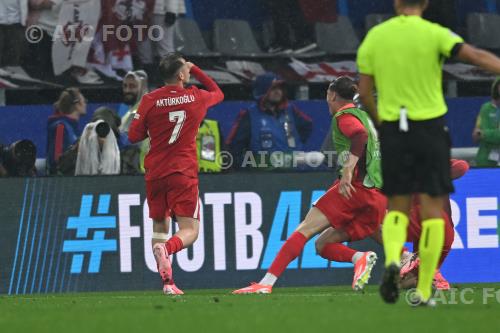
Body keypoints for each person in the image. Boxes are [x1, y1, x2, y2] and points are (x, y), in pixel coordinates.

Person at [357, 0, 500, 306]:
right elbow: (475, 56)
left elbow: (365, 92)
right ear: (425, 3)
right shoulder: (435, 33)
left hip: (395, 128)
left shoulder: (376, 37)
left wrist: (383, 124)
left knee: (396, 207)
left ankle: (393, 261)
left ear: (396, 3)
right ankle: (423, 289)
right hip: (430, 129)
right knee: (435, 211)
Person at [232, 77, 386, 294]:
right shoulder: (364, 115)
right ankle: (363, 258)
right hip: (375, 192)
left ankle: (265, 283)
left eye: (327, 94)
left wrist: (349, 169)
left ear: (332, 95)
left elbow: (358, 135)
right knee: (323, 245)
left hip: (355, 188)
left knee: (304, 229)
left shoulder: (344, 116)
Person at [128, 53, 224, 295]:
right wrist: (198, 69)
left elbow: (133, 136)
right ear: (181, 75)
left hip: (156, 172)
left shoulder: (149, 99)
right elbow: (218, 93)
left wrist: (156, 128)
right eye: (186, 69)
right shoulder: (195, 96)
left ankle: (168, 283)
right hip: (182, 171)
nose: (189, 72)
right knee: (190, 229)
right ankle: (168, 249)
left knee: (159, 226)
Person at [400, 159, 469, 291]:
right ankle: (428, 272)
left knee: (408, 281)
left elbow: (462, 166)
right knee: (405, 282)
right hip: (424, 226)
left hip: (439, 227)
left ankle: (423, 269)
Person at [226, 73, 312, 169]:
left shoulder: (291, 110)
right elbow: (234, 146)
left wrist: (293, 149)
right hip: (263, 175)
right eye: (273, 88)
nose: (278, 92)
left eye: (280, 88)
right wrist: (249, 167)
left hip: (291, 172)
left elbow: (307, 126)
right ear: (262, 91)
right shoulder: (249, 115)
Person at [46, 88, 87, 175]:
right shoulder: (61, 127)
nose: (85, 104)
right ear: (77, 104)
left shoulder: (72, 127)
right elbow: (56, 161)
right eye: (84, 101)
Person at [473, 78, 500, 167]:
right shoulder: (485, 108)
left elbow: (482, 133)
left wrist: (484, 134)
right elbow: (476, 135)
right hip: (484, 161)